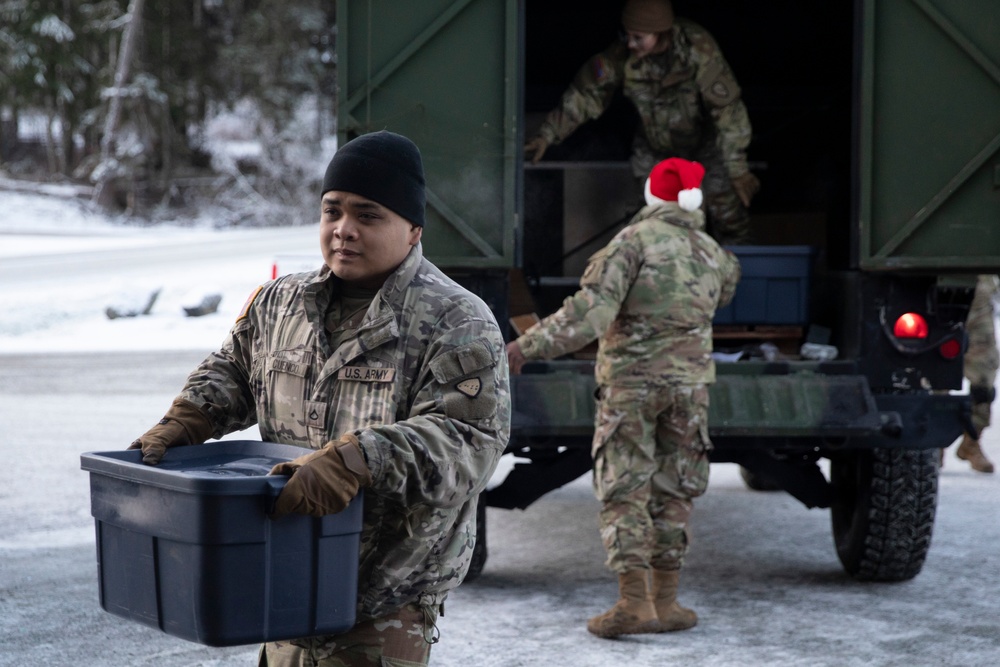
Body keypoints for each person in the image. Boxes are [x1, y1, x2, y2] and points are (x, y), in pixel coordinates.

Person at [128, 130, 511, 666]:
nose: (343, 230)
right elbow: (236, 369)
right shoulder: (281, 300)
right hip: (281, 583)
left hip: (382, 604)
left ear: (412, 228)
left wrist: (355, 460)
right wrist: (187, 419)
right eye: (332, 211)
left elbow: (469, 443)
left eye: (368, 215)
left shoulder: (456, 319)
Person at [506, 157, 740, 638]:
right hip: (690, 388)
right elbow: (723, 296)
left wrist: (524, 347)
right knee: (676, 489)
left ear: (653, 195)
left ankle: (634, 604)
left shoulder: (632, 244)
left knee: (626, 488)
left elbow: (589, 316)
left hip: (632, 386)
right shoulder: (715, 253)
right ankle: (667, 602)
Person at [524, 0, 759, 245]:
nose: (630, 43)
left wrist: (737, 169)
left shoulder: (697, 49)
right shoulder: (620, 56)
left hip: (706, 145)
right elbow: (585, 95)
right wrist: (547, 135)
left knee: (729, 215)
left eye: (638, 37)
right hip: (655, 147)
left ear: (661, 33)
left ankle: (740, 273)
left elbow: (727, 110)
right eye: (627, 35)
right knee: (650, 220)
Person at [951, 274, 998, 473]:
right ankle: (933, 448)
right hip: (939, 305)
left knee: (984, 386)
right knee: (933, 384)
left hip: (979, 311)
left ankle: (972, 441)